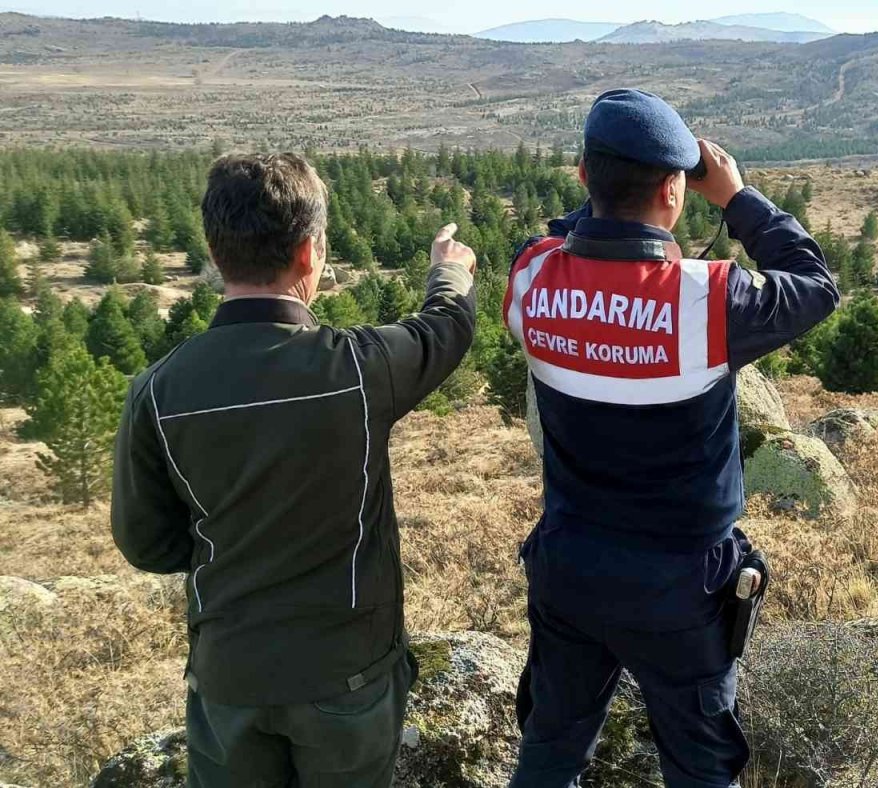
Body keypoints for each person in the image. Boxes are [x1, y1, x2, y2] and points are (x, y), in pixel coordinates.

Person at [506, 90, 840, 787]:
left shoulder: (532, 278)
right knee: (699, 768)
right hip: (681, 586)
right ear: (673, 190)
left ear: (581, 178)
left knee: (549, 750)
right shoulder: (709, 298)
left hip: (567, 566)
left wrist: (608, 205)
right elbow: (815, 284)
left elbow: (567, 235)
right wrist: (738, 199)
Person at [111, 152, 477, 787]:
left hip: (229, 678)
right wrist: (449, 274)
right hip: (348, 675)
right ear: (310, 254)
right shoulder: (360, 370)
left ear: (215, 250)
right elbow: (444, 328)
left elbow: (147, 543)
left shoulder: (159, 390)